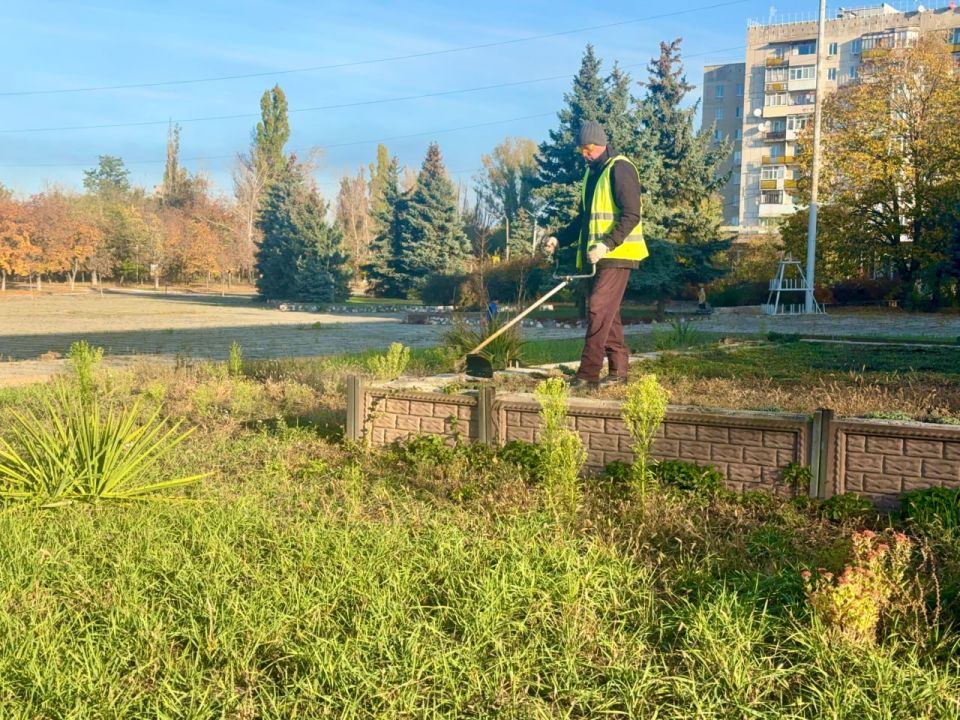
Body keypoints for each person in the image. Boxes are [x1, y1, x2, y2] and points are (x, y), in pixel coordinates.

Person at [543, 119, 648, 387]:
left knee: (598, 310)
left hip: (617, 253)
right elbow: (584, 219)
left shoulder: (620, 168)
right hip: (597, 257)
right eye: (581, 150)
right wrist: (559, 238)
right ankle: (618, 372)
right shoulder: (592, 174)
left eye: (587, 149)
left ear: (600, 144)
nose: (585, 155)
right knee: (607, 314)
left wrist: (606, 244)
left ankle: (588, 374)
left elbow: (632, 214)